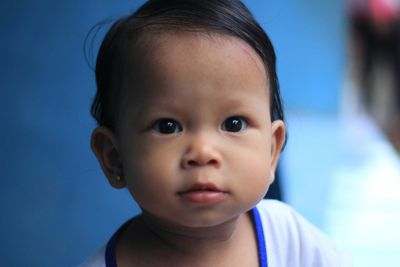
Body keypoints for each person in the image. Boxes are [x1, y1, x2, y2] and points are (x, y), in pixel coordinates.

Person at [81, 1, 351, 266]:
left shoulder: (293, 241)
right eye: (168, 126)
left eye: (234, 124)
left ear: (272, 151)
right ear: (114, 157)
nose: (203, 152)